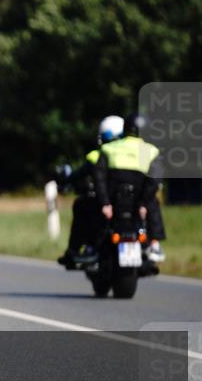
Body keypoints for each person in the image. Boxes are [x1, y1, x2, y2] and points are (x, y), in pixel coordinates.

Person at [94, 113, 166, 263]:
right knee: (154, 202)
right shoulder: (151, 151)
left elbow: (99, 177)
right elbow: (154, 181)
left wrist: (105, 203)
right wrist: (143, 204)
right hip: (138, 202)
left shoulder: (108, 149)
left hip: (113, 200)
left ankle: (91, 246)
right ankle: (154, 244)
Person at [58, 115, 124, 268]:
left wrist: (65, 181)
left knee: (81, 205)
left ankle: (76, 249)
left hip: (105, 204)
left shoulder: (98, 155)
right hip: (131, 204)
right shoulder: (136, 155)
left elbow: (78, 175)